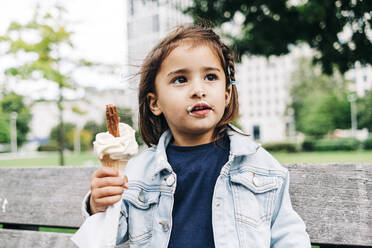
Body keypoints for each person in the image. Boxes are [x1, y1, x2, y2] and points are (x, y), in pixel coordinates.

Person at [83, 25, 311, 247]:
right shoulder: (138, 173)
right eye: (180, 79)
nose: (198, 90)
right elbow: (110, 236)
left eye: (210, 77)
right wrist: (98, 206)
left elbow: (288, 236)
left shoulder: (260, 165)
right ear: (155, 103)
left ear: (227, 93)